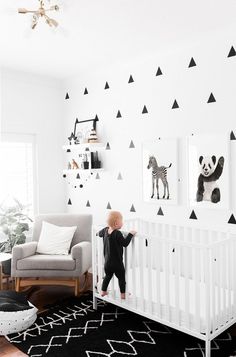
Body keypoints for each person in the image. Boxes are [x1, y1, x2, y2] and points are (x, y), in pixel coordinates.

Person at [98, 211, 136, 299]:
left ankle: (103, 291)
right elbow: (125, 243)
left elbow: (99, 234)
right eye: (121, 221)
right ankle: (123, 294)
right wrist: (130, 234)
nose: (122, 223)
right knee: (121, 278)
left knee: (107, 276)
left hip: (107, 263)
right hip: (117, 263)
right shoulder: (117, 233)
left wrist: (99, 232)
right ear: (116, 223)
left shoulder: (105, 230)